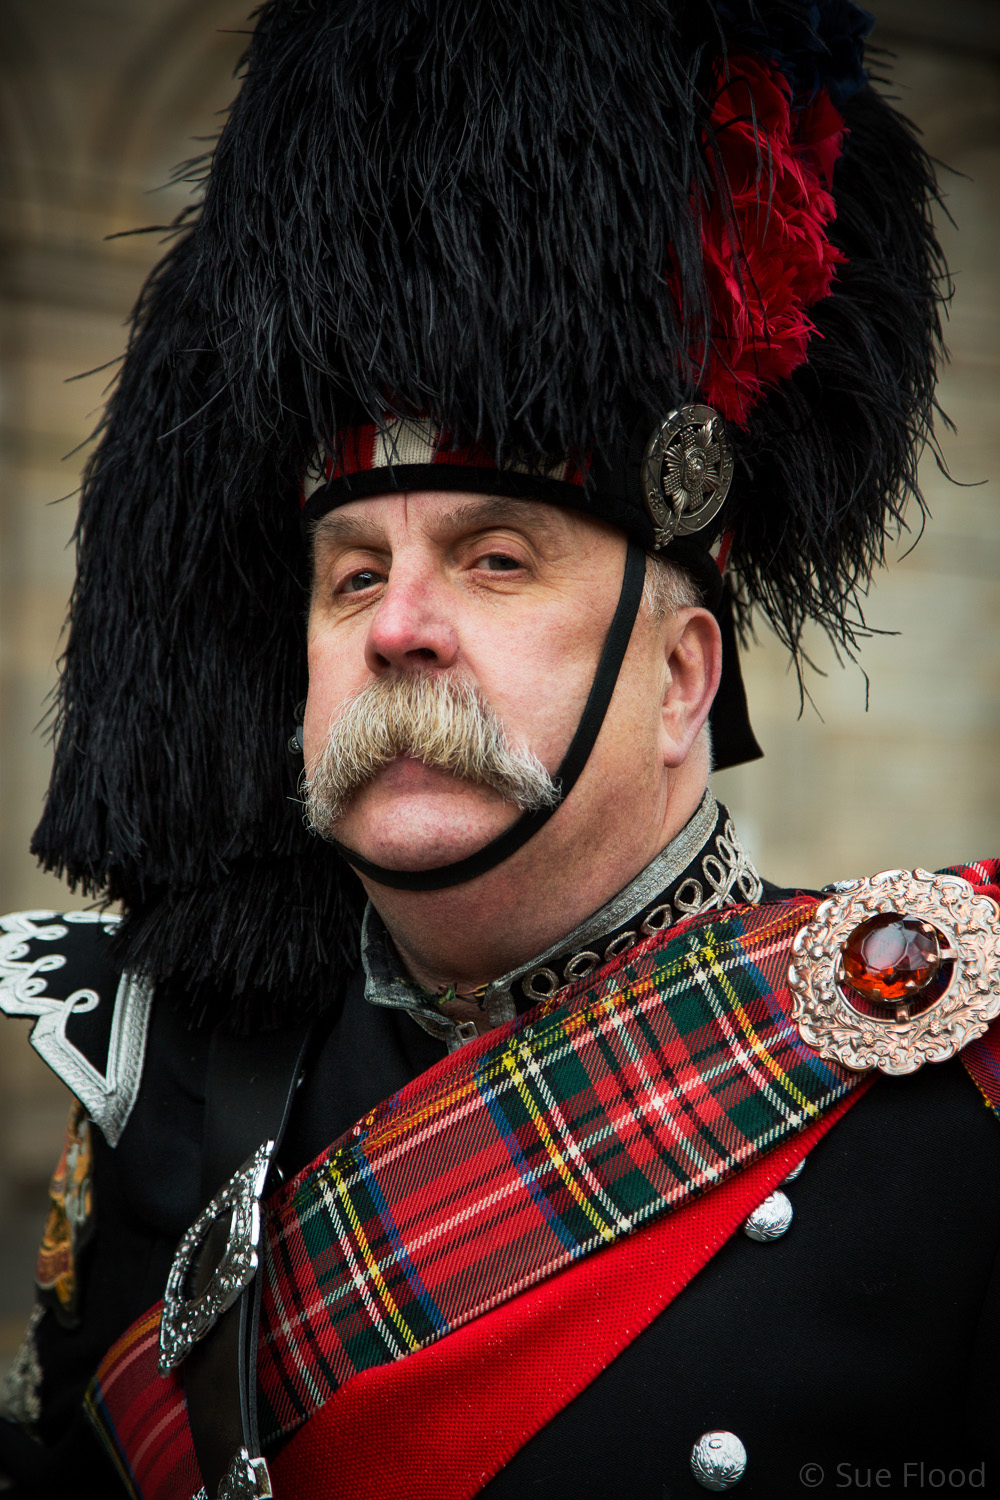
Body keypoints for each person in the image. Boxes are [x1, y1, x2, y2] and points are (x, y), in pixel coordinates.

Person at [2, 1, 999, 1496]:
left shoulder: (940, 1106)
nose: (397, 626)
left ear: (680, 678)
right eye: (352, 575)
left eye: (496, 560)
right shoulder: (160, 1080)